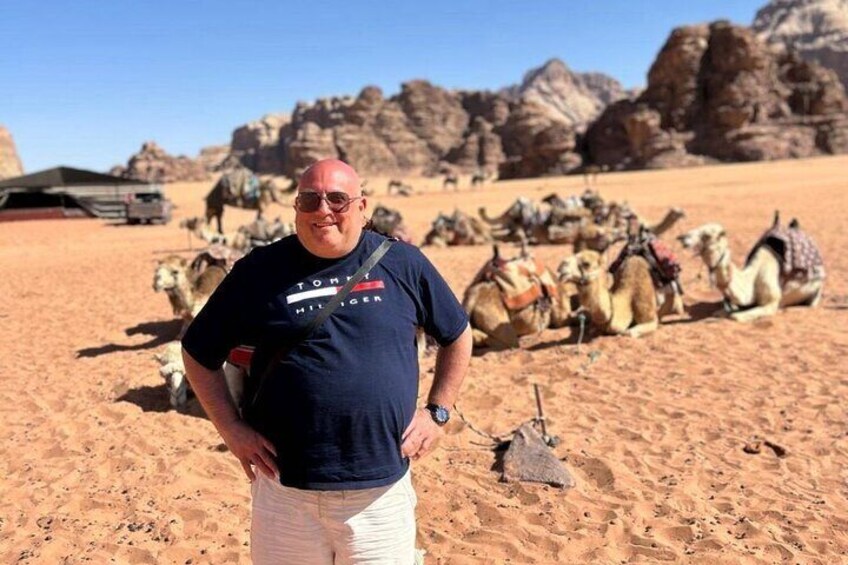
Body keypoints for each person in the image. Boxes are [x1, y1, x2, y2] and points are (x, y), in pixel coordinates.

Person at [181, 159, 472, 564]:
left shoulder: (403, 263)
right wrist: (230, 428)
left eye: (337, 199)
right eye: (309, 200)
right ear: (296, 208)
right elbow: (198, 353)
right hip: (285, 494)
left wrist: (438, 412)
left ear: (362, 207)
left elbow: (457, 334)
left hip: (379, 494)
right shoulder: (258, 272)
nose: (323, 210)